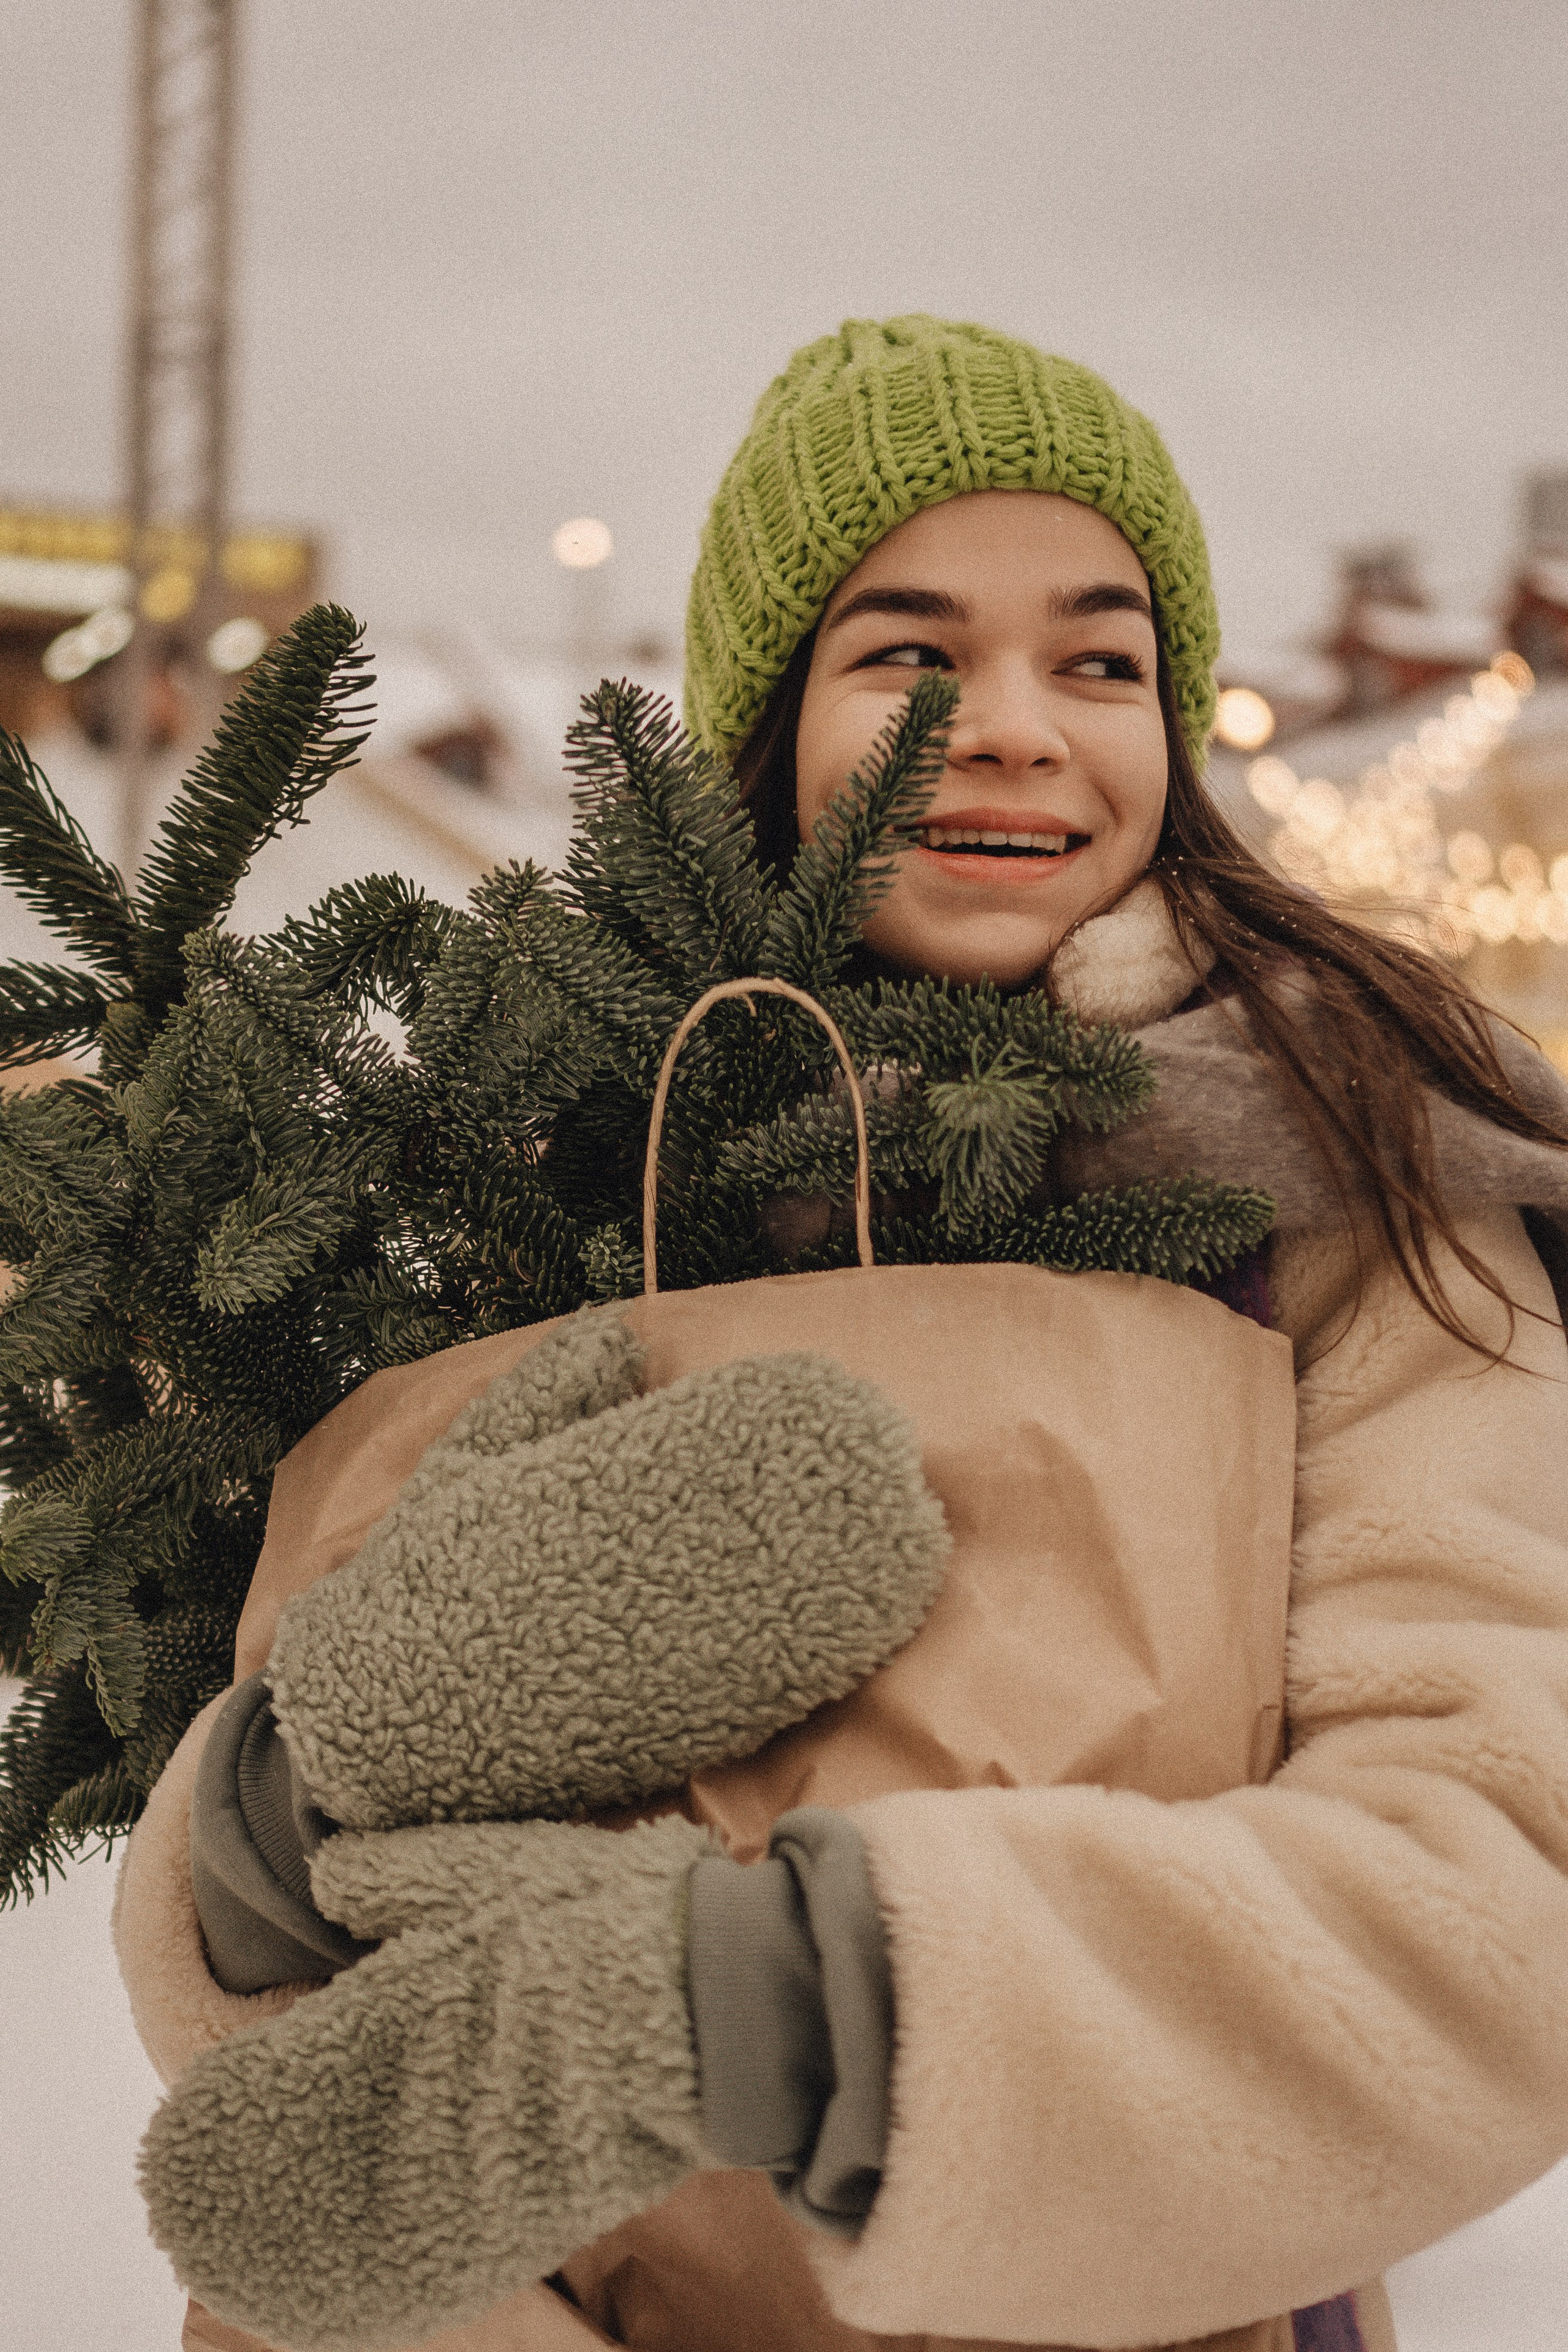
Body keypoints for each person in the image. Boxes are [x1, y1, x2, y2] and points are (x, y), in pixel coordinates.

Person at [118, 317, 1568, 2352]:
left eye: (1100, 657)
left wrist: (773, 2001)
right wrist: (283, 1808)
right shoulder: (541, 1162)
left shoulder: (1364, 1176)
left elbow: (1495, 1915)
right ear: (768, 709)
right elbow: (258, 1963)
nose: (1013, 726)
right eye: (908, 655)